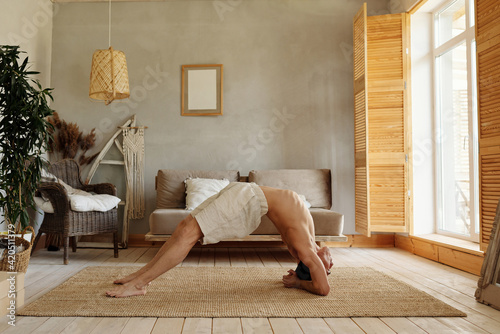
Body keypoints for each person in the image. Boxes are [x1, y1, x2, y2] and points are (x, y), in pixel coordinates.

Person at [106, 182, 334, 298]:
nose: (331, 264)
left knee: (189, 234)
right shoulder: (310, 237)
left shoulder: (305, 251)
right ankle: (139, 275)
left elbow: (323, 288)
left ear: (311, 266)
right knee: (183, 226)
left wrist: (298, 282)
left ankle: (139, 285)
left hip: (251, 200)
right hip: (246, 190)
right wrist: (302, 276)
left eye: (328, 268)